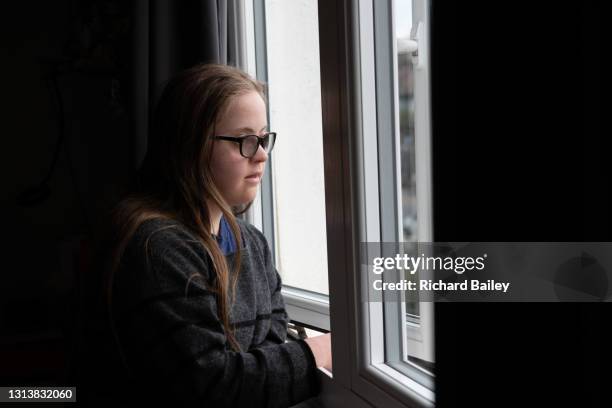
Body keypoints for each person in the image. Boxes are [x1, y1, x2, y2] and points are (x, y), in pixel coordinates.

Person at [80, 63, 332, 408]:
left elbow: (271, 352)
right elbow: (215, 388)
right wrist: (325, 349)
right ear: (192, 146)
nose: (260, 154)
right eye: (243, 140)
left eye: (262, 138)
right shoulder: (155, 248)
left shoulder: (252, 243)